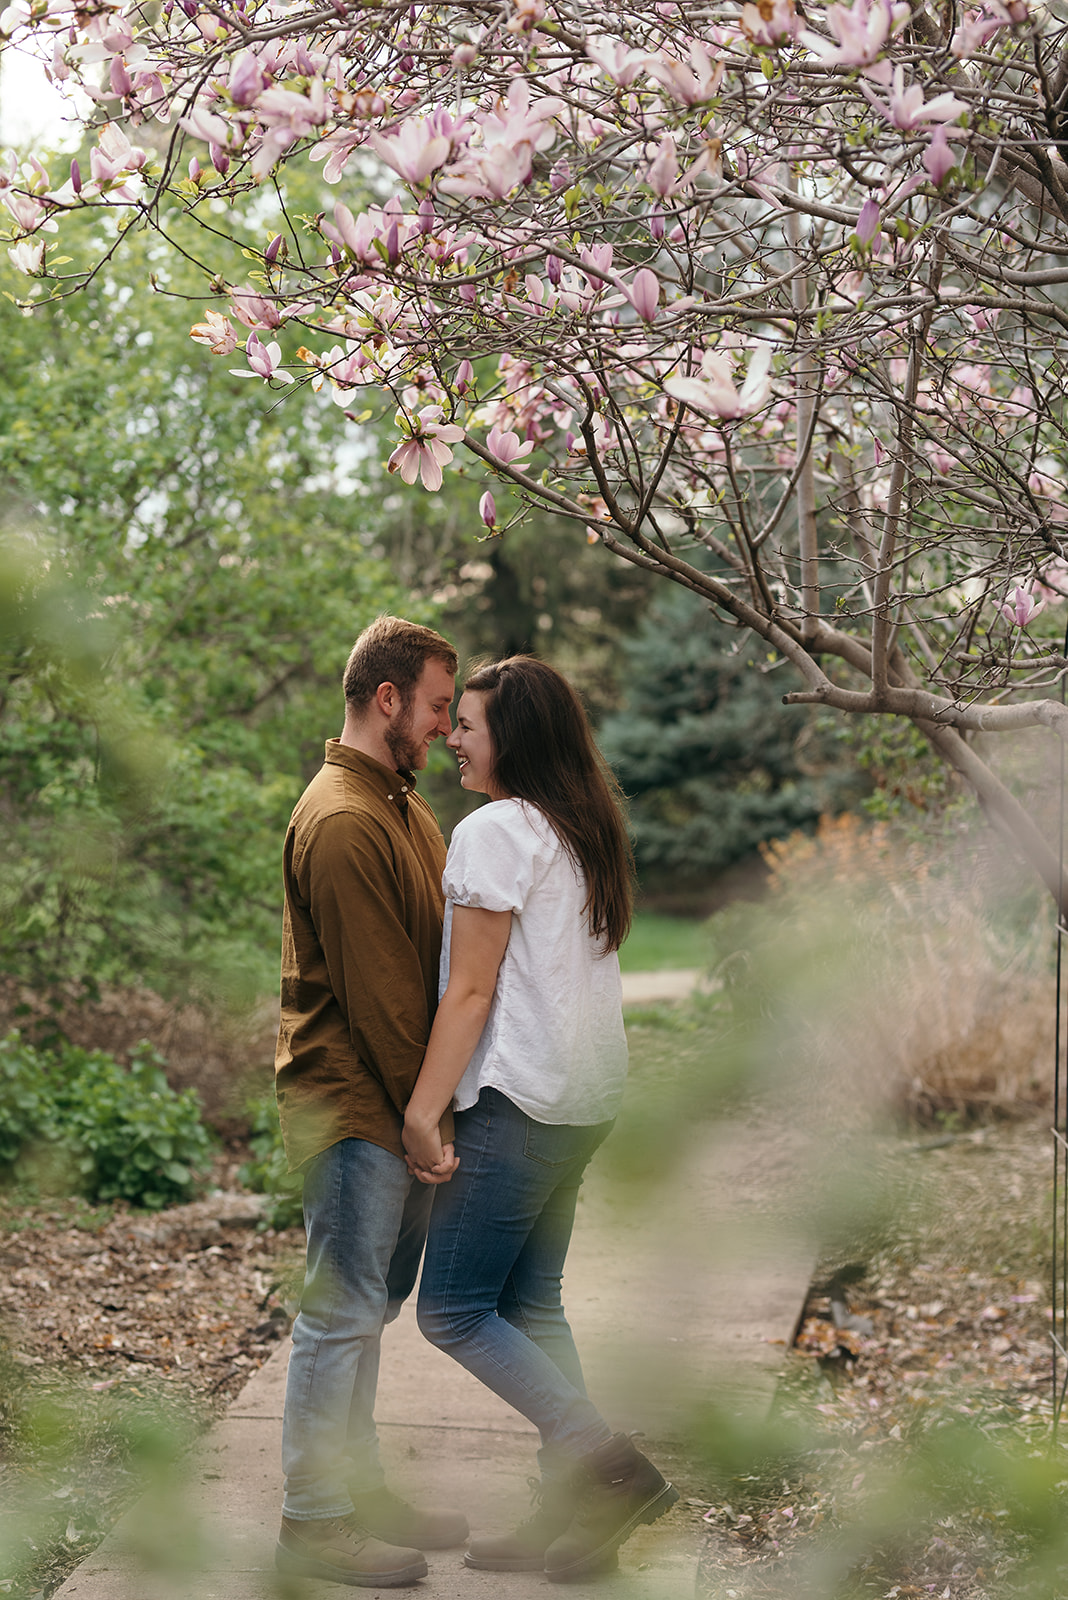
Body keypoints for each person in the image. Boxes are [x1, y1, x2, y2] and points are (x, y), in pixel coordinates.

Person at [401, 655, 679, 1584]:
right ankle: (575, 1506)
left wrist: (424, 1109)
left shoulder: (494, 831)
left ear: (511, 737)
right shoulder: (581, 826)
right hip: (584, 1102)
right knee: (529, 1303)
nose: (452, 739)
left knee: (450, 1309)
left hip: (518, 1102)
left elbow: (471, 990)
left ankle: (608, 1467)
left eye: (468, 726)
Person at [274, 615, 469, 1589]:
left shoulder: (400, 805)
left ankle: (355, 1488)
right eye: (436, 706)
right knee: (341, 1313)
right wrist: (425, 1118)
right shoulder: (347, 817)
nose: (443, 726)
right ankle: (314, 1518)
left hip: (394, 1112)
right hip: (359, 1110)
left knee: (364, 1310)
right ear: (386, 697)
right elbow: (387, 997)